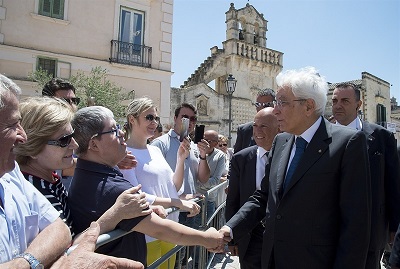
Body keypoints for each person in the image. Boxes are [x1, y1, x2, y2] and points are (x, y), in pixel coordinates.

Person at [219, 66, 371, 268]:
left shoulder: (347, 143)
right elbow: (263, 196)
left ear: (308, 106)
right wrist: (230, 229)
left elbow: (355, 225)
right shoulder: (280, 141)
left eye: (282, 102)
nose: (275, 110)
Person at [68, 106, 226, 266]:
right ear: (94, 145)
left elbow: (171, 186)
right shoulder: (110, 188)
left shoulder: (88, 174)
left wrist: (150, 208)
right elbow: (159, 229)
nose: (121, 132)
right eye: (113, 130)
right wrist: (208, 238)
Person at [14, 96, 152, 239]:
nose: (74, 145)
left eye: (72, 136)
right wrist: (116, 214)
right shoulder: (30, 193)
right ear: (33, 147)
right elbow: (64, 254)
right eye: (64, 140)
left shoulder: (48, 180)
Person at [0, 74, 71, 268]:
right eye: (13, 125)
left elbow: (60, 230)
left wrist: (26, 263)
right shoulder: (31, 181)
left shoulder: (11, 174)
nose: (23, 136)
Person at [121, 97, 201, 268]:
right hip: (147, 233)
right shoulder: (124, 153)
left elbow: (174, 186)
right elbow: (137, 196)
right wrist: (180, 203)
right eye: (149, 117)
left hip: (170, 227)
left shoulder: (155, 150)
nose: (154, 123)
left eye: (156, 118)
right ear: (132, 119)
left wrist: (181, 159)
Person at [332, 83, 400, 269]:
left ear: (358, 104)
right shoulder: (322, 137)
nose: (338, 105)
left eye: (345, 100)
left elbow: (393, 184)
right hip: (330, 230)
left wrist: (394, 227)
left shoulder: (381, 137)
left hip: (372, 231)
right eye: (335, 101)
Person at [151, 103, 210, 267]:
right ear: (175, 118)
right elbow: (154, 180)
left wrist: (204, 156)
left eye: (193, 119)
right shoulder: (160, 144)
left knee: (184, 258)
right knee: (172, 259)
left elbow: (203, 178)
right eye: (184, 117)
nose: (189, 122)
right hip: (171, 211)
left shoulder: (194, 146)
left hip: (191, 210)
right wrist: (179, 197)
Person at [225, 107, 279, 269]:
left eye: (264, 126)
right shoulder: (241, 159)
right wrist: (233, 238)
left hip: (279, 237)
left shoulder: (289, 155)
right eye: (255, 126)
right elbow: (233, 199)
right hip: (250, 236)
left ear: (278, 128)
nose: (257, 131)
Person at [233, 88, 275, 153]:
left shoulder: (285, 128)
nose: (261, 108)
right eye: (258, 104)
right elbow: (236, 160)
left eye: (266, 105)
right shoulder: (245, 131)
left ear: (275, 105)